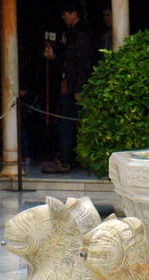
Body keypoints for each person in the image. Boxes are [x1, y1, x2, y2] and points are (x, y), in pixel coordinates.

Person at [41, 1, 97, 174]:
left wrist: (78, 88)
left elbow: (81, 63)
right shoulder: (74, 33)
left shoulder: (82, 34)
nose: (63, 16)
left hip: (76, 87)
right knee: (67, 123)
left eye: (66, 13)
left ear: (74, 13)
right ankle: (69, 158)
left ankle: (66, 160)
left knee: (68, 123)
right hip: (71, 85)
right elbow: (69, 57)